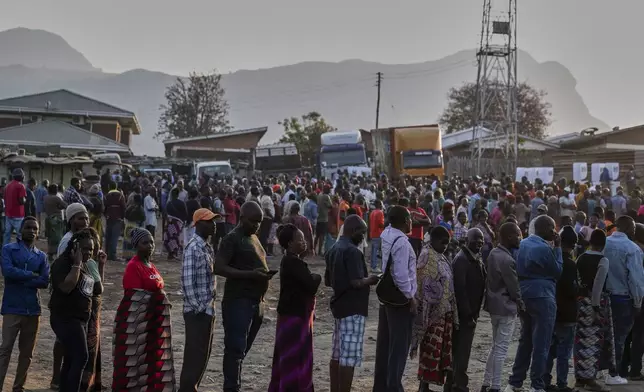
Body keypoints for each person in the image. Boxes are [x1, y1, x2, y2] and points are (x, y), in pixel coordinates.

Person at [214, 201, 275, 392]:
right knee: (235, 349)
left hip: (256, 302)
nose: (257, 225)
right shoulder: (232, 239)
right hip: (238, 302)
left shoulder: (253, 238)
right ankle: (231, 387)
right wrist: (250, 275)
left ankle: (234, 384)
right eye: (253, 221)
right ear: (242, 219)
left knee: (242, 350)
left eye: (259, 222)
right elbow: (219, 267)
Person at [112, 228, 176, 391]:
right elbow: (134, 298)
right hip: (137, 325)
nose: (150, 246)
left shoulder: (151, 265)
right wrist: (157, 298)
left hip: (153, 323)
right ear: (136, 245)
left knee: (152, 360)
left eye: (152, 242)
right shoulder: (133, 267)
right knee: (135, 362)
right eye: (145, 243)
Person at [505, 215, 562, 392]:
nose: (554, 232)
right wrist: (558, 248)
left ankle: (515, 382)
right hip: (543, 296)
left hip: (524, 294)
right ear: (544, 228)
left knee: (526, 341)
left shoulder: (522, 244)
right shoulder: (545, 248)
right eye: (552, 228)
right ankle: (537, 385)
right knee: (541, 344)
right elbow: (557, 271)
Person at [325, 214, 378, 392]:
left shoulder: (333, 248)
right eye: (362, 233)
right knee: (348, 357)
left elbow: (327, 281)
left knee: (337, 355)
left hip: (339, 306)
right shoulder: (353, 251)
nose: (363, 237)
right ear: (354, 231)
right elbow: (356, 282)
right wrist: (371, 279)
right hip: (353, 308)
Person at [268, 224, 322, 392]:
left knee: (289, 358)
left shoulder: (292, 261)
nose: (304, 242)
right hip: (294, 318)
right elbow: (310, 284)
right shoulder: (292, 262)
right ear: (290, 243)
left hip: (292, 315)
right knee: (294, 359)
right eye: (300, 239)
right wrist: (317, 276)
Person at [0, 217, 49, 391]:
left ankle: (18, 387)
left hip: (33, 309)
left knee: (27, 354)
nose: (32, 231)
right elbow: (7, 272)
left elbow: (45, 281)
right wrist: (32, 275)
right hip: (12, 307)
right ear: (21, 229)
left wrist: (21, 277)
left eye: (35, 228)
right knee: (5, 350)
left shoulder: (41, 256)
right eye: (28, 227)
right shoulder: (8, 249)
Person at [373, 205, 418, 392]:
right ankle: (393, 387)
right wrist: (411, 296)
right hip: (400, 299)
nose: (411, 222)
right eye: (409, 218)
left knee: (385, 346)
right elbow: (400, 274)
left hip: (387, 296)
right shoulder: (402, 242)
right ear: (405, 221)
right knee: (398, 349)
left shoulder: (386, 234)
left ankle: (381, 386)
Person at [49, 228, 100, 392]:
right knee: (81, 356)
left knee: (71, 358)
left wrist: (101, 266)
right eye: (85, 249)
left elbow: (96, 289)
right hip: (65, 318)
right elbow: (66, 287)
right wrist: (77, 263)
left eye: (91, 249)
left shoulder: (85, 265)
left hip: (80, 319)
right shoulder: (62, 263)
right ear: (75, 247)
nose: (89, 252)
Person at [410, 226, 456, 391]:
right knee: (430, 350)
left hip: (443, 311)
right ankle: (423, 385)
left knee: (438, 350)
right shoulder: (426, 256)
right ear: (434, 239)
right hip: (430, 314)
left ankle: (426, 385)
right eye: (443, 243)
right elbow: (423, 284)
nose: (445, 246)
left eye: (447, 244)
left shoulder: (439, 256)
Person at [179, 208, 218, 392]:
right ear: (198, 224)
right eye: (209, 221)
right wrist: (200, 308)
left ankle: (192, 386)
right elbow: (187, 283)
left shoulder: (206, 247)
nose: (214, 225)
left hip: (207, 309)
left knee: (203, 354)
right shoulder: (193, 247)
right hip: (198, 312)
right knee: (194, 355)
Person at [482, 222, 524, 392]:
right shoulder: (507, 259)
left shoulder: (493, 253)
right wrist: (522, 304)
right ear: (509, 237)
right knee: (501, 348)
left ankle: (486, 382)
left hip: (494, 306)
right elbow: (514, 289)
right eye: (518, 234)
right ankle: (496, 386)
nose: (520, 237)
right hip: (506, 307)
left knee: (495, 345)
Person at [602, 215, 644, 384]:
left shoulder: (604, 243)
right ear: (629, 229)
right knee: (620, 337)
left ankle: (602, 371)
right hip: (623, 298)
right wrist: (638, 302)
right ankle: (614, 373)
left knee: (605, 337)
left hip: (604, 297)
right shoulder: (632, 248)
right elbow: (635, 279)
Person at [574, 229, 615, 391]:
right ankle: (590, 379)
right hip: (595, 304)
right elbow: (598, 286)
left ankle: (579, 378)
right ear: (604, 244)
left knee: (580, 341)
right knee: (593, 342)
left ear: (591, 242)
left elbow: (576, 280)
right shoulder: (603, 261)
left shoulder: (581, 257)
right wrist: (596, 308)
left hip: (581, 303)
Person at [448, 228, 486, 392]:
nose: (479, 242)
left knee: (462, 350)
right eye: (476, 239)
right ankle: (458, 385)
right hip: (465, 315)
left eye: (481, 239)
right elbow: (460, 290)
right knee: (461, 351)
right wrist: (468, 314)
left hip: (471, 313)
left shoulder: (474, 257)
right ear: (466, 239)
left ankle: (454, 384)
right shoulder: (462, 260)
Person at [544, 226, 579, 392]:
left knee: (550, 350)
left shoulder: (551, 260)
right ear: (573, 246)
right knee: (564, 352)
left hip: (552, 310)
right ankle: (562, 383)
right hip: (568, 314)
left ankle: (545, 380)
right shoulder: (571, 265)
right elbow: (572, 290)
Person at [43, 184, 68, 259]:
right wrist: (59, 207)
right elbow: (65, 205)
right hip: (57, 220)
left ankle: (50, 253)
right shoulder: (56, 198)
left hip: (49, 218)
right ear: (55, 190)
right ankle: (58, 252)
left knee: (50, 237)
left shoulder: (45, 197)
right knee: (58, 236)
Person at [4, 168, 27, 245]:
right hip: (18, 215)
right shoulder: (21, 186)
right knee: (20, 235)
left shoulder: (7, 186)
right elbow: (21, 201)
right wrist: (25, 200)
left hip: (8, 214)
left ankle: (4, 252)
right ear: (21, 177)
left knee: (7, 235)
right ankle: (21, 252)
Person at [104, 181, 126, 261]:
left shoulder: (107, 196)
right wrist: (122, 218)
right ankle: (112, 255)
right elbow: (124, 208)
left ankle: (106, 254)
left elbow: (105, 208)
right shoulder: (120, 196)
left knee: (108, 237)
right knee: (114, 237)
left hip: (109, 218)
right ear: (116, 187)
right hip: (118, 219)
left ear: (109, 187)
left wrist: (106, 215)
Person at [369, 199, 386, 272]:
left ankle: (372, 266)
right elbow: (381, 224)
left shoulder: (372, 212)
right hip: (378, 233)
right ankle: (375, 266)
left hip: (373, 233)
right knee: (377, 251)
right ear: (379, 204)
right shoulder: (380, 212)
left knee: (373, 250)